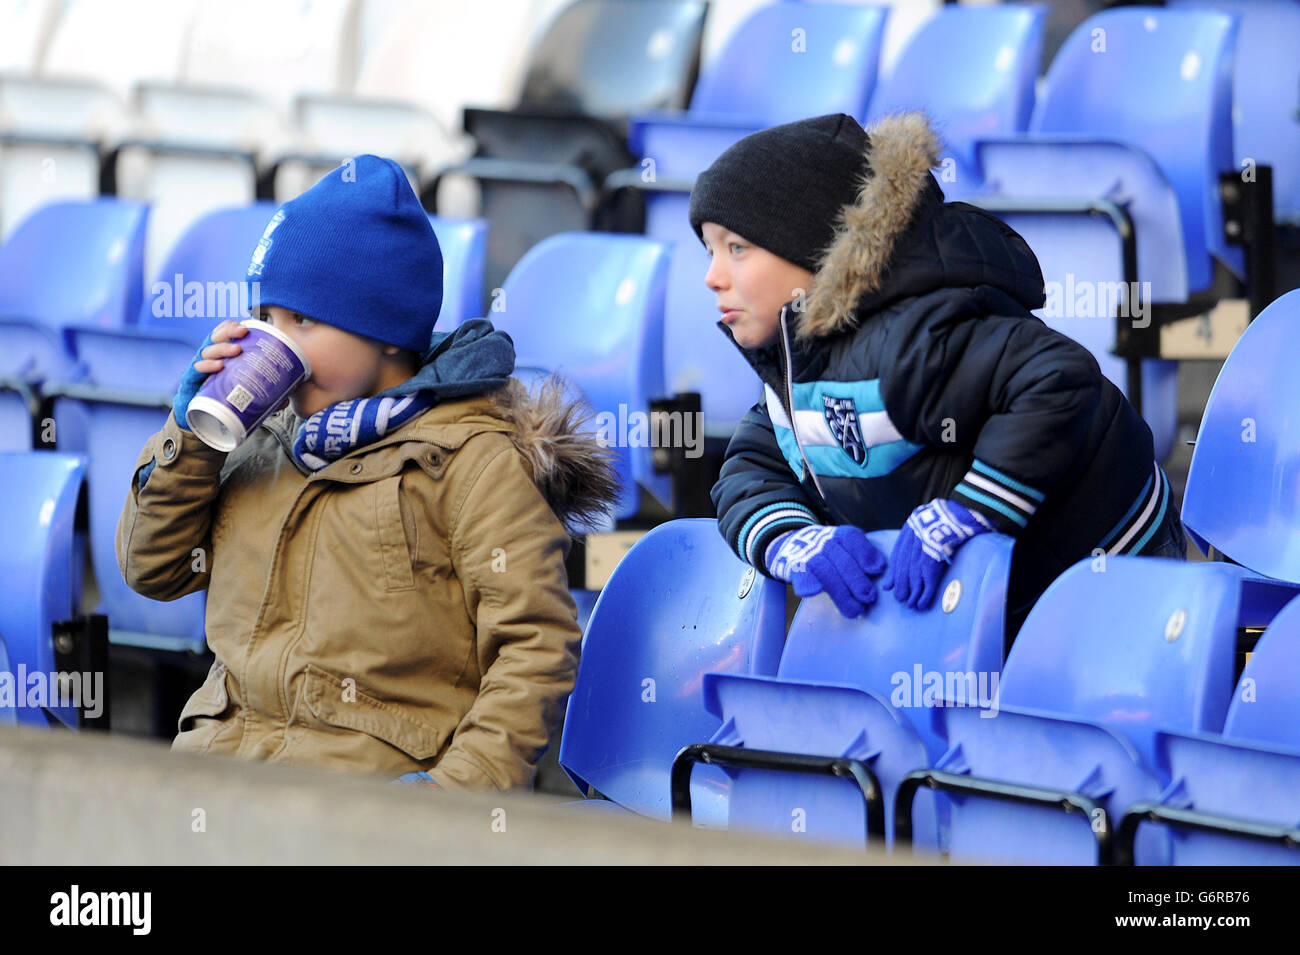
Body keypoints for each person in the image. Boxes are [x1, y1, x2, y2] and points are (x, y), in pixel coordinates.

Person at [117, 155, 617, 789]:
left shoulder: (472, 460)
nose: (278, 343)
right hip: (221, 778)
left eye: (303, 320)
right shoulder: (260, 437)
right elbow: (150, 569)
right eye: (267, 319)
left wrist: (452, 799)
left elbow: (535, 647)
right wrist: (189, 437)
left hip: (367, 807)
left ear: (387, 331)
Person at [689, 111, 1187, 651]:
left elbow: (1057, 380)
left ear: (812, 246)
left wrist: (971, 509)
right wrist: (791, 537)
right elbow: (750, 466)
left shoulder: (915, 334)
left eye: (737, 248)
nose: (713, 276)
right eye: (709, 249)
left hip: (1107, 556)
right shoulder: (793, 368)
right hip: (1001, 596)